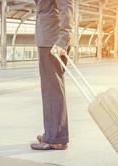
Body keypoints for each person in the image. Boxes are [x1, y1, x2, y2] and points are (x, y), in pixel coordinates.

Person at [31, 0, 73, 150]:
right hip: (47, 39)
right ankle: (53, 134)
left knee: (52, 90)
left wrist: (63, 41)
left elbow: (66, 7)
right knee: (51, 90)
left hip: (52, 42)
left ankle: (55, 139)